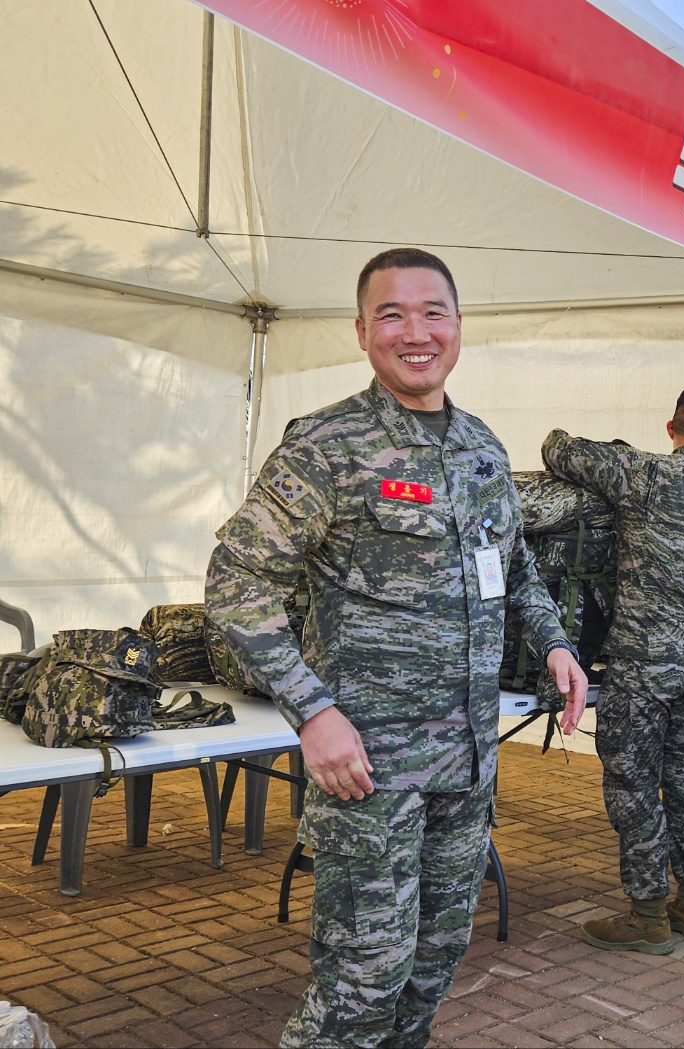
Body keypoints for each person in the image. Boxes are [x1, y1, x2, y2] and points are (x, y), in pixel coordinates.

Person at [205, 248, 589, 1048]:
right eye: (391, 315)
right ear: (361, 331)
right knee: (359, 987)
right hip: (369, 773)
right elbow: (236, 582)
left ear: (458, 326)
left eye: (432, 312)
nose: (415, 332)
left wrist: (554, 644)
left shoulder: (482, 449)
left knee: (431, 967)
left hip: (467, 766)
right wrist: (313, 713)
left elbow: (515, 569)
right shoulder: (327, 446)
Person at [542, 385, 684, 954]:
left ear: (670, 428)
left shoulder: (642, 472)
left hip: (642, 659)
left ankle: (646, 914)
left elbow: (557, 450)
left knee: (633, 782)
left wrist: (593, 446)